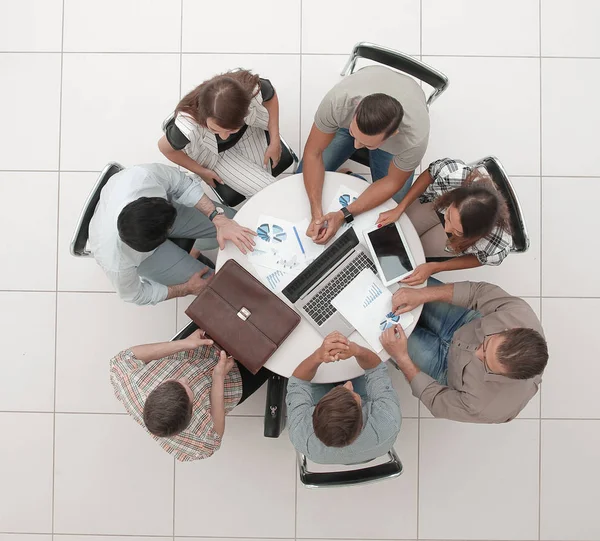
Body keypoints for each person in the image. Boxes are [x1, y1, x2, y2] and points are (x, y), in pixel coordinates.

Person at [381, 279, 548, 423]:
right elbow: (477, 292)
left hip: (444, 369)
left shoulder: (487, 407)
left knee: (381, 332)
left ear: (504, 377)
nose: (476, 353)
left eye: (485, 363)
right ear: (511, 329)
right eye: (486, 344)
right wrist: (423, 294)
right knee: (402, 287)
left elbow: (436, 400)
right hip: (464, 322)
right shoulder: (518, 313)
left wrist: (402, 358)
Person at [88, 163, 255, 305]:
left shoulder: (141, 179)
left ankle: (195, 248)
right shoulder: (116, 263)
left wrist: (217, 218)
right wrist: (186, 289)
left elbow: (183, 184)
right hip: (146, 259)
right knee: (217, 288)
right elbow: (136, 295)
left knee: (240, 224)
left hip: (161, 212)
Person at [300, 65, 430, 245]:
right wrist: (316, 212)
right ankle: (356, 139)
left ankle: (353, 170)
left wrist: (343, 214)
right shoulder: (338, 102)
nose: (356, 146)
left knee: (392, 201)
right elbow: (313, 153)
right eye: (354, 135)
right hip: (348, 117)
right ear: (357, 108)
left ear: (392, 135)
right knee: (300, 176)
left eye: (367, 144)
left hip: (400, 116)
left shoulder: (414, 141)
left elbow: (393, 181)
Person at [110, 328, 272, 461]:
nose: (186, 379)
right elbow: (216, 433)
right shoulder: (197, 443)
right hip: (234, 382)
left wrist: (185, 343)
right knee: (276, 347)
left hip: (197, 349)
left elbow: (125, 357)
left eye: (178, 381)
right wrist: (218, 378)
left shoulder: (128, 380)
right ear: (190, 413)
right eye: (190, 389)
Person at [377, 157, 514, 286]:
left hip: (458, 239)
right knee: (395, 231)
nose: (447, 228)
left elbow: (482, 259)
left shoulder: (498, 245)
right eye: (449, 217)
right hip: (437, 204)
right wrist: (400, 208)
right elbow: (431, 172)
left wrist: (436, 267)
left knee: (414, 254)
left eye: (457, 230)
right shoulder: (453, 174)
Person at [158, 69, 282, 198]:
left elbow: (270, 97)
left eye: (231, 129)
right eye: (215, 130)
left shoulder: (251, 88)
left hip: (248, 131)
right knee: (269, 191)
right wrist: (201, 171)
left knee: (267, 181)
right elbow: (165, 149)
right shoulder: (187, 127)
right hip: (213, 153)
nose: (223, 136)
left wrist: (275, 140)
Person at [286, 332, 401, 464]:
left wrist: (318, 356)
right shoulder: (388, 419)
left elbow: (297, 382)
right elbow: (375, 369)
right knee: (359, 373)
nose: (348, 384)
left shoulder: (301, 434)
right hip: (369, 446)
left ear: (314, 414)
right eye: (353, 394)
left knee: (313, 377)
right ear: (362, 421)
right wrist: (357, 350)